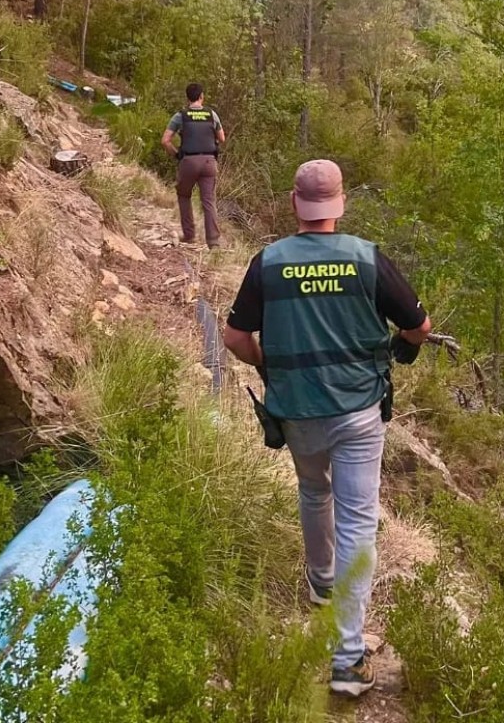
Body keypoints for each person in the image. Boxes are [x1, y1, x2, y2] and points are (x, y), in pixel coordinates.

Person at [222, 159, 431, 698]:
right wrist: (402, 351)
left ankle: (320, 586)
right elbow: (418, 326)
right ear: (340, 205)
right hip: (358, 411)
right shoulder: (366, 259)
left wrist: (268, 362)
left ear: (296, 203)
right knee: (358, 519)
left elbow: (234, 337)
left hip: (296, 410)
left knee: (315, 490)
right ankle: (347, 657)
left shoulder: (267, 263)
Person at [161, 83, 226, 248]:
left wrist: (176, 154)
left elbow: (165, 140)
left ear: (187, 98)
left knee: (184, 195)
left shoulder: (180, 116)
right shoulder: (212, 114)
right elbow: (222, 138)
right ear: (202, 96)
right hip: (209, 162)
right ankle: (213, 241)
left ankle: (189, 235)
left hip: (188, 161)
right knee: (209, 201)